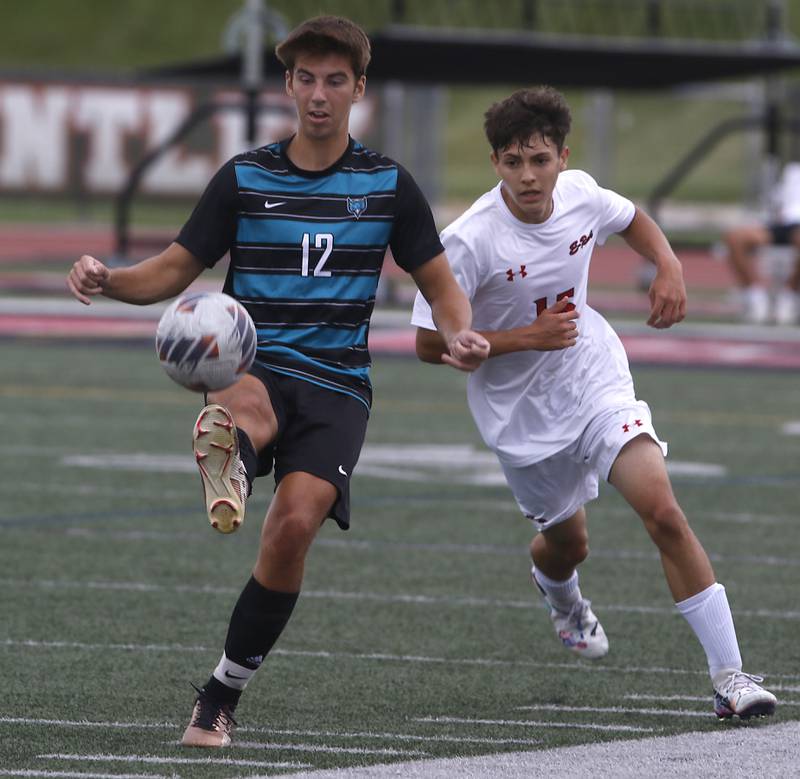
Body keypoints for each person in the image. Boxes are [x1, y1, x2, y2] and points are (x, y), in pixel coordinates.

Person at [67, 15, 489, 748]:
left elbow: (442, 285)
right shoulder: (245, 176)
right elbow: (173, 269)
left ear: (358, 88)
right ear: (288, 85)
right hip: (253, 361)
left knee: (292, 529)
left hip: (339, 388)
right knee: (247, 398)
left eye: (334, 80)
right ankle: (229, 442)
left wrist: (460, 331)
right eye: (305, 79)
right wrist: (108, 278)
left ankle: (221, 690)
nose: (318, 94)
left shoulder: (388, 185)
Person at [411, 86, 777, 720]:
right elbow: (425, 343)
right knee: (567, 544)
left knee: (662, 510)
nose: (528, 175)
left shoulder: (580, 192)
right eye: (512, 161)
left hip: (594, 377)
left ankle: (730, 678)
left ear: (562, 156)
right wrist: (517, 339)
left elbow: (630, 217)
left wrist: (668, 264)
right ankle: (562, 595)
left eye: (540, 159)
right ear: (495, 162)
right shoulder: (470, 241)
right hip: (521, 417)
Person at [723, 161, 800, 325]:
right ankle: (756, 295)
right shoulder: (793, 170)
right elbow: (780, 202)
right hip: (781, 223)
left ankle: (790, 294)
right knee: (735, 237)